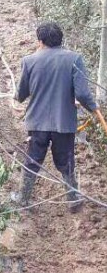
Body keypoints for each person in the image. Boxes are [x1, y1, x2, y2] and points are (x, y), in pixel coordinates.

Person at [15, 21, 106, 212]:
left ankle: (23, 198)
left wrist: (17, 95)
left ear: (40, 41)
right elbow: (81, 93)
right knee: (66, 160)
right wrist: (94, 107)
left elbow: (21, 94)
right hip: (64, 123)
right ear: (60, 40)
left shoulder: (29, 61)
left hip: (37, 123)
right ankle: (73, 199)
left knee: (33, 159)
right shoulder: (75, 59)